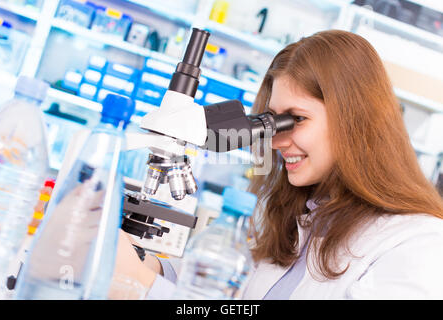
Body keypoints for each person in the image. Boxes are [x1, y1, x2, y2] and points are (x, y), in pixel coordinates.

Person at [113, 29, 443, 299]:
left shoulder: (419, 245)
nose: (275, 141)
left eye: (297, 119)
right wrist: (143, 267)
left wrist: (143, 289)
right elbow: (219, 296)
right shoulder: (297, 217)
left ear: (357, 123)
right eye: (273, 121)